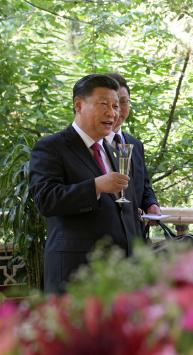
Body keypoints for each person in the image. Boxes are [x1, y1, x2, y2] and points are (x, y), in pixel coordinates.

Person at [29, 74, 144, 294]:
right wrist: (96, 186)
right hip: (76, 275)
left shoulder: (113, 150)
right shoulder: (51, 147)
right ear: (78, 105)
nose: (112, 113)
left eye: (116, 105)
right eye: (103, 105)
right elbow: (46, 200)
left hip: (121, 277)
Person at [104, 73, 161, 221]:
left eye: (123, 102)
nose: (118, 110)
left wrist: (151, 204)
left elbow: (144, 185)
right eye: (111, 104)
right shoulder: (94, 145)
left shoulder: (135, 144)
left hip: (136, 236)